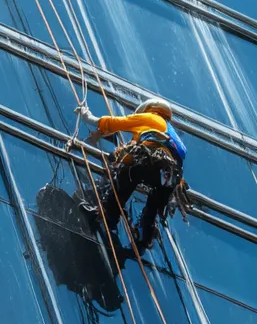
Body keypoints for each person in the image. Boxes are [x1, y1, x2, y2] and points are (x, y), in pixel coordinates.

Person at [74, 98, 187, 257]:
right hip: (169, 176)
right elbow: (133, 146)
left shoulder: (152, 117)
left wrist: (89, 118)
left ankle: (109, 214)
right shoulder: (170, 133)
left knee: (127, 175)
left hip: (151, 162)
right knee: (154, 204)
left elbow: (118, 123)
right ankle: (145, 237)